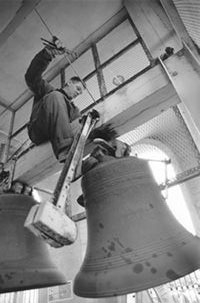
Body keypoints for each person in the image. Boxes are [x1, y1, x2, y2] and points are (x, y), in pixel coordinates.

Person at [25, 39, 85, 162]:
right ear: (69, 83)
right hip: (37, 130)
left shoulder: (73, 110)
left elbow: (79, 124)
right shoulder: (49, 91)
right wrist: (48, 53)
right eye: (78, 88)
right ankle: (64, 150)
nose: (78, 93)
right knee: (56, 96)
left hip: (55, 133)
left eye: (80, 92)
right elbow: (31, 77)